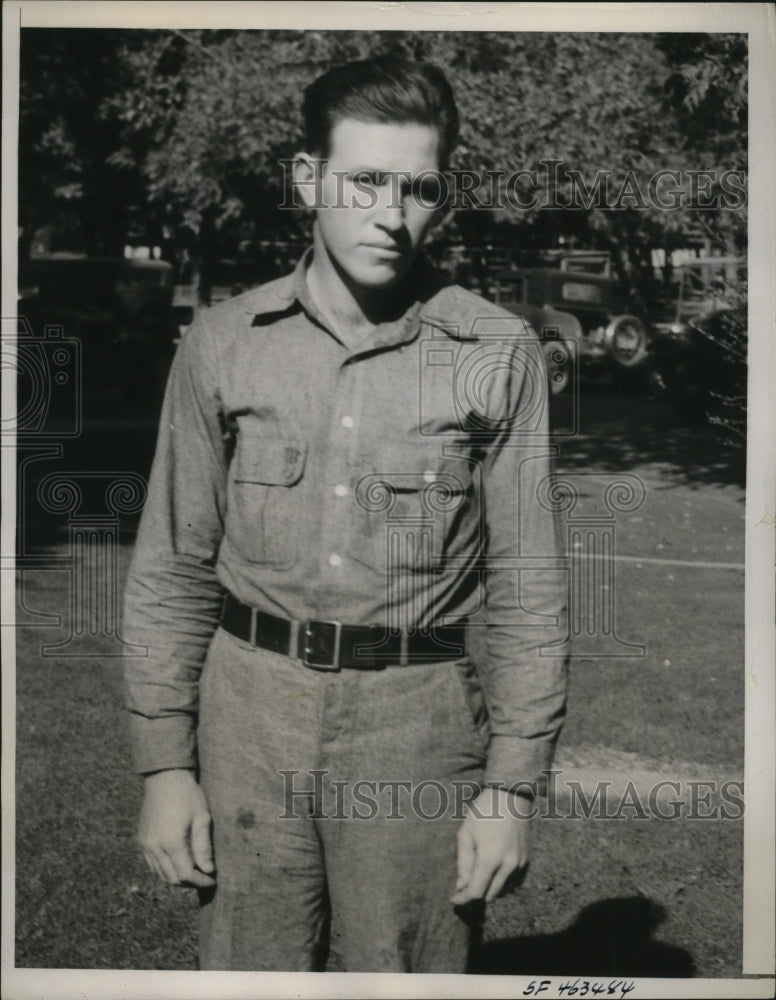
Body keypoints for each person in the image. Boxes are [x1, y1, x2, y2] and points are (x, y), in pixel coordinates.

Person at [123, 54, 569, 974]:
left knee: (402, 973)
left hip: (416, 724)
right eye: (364, 179)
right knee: (251, 971)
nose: (390, 213)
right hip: (248, 714)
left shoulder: (497, 350)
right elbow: (170, 566)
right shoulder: (221, 343)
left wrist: (511, 790)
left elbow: (527, 583)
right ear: (308, 180)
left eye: (417, 187)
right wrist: (166, 766)